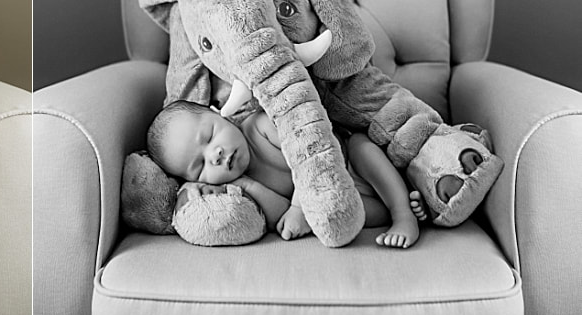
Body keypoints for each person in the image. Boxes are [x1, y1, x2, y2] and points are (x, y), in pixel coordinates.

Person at [148, 100, 428, 248]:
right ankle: (409, 203)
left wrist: (298, 206)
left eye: (209, 135)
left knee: (362, 148)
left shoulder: (259, 126)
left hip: (346, 161)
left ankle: (403, 213)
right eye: (200, 165)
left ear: (218, 114)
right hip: (344, 196)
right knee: (348, 211)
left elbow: (308, 151)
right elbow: (283, 218)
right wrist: (247, 185)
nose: (215, 155)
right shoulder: (238, 187)